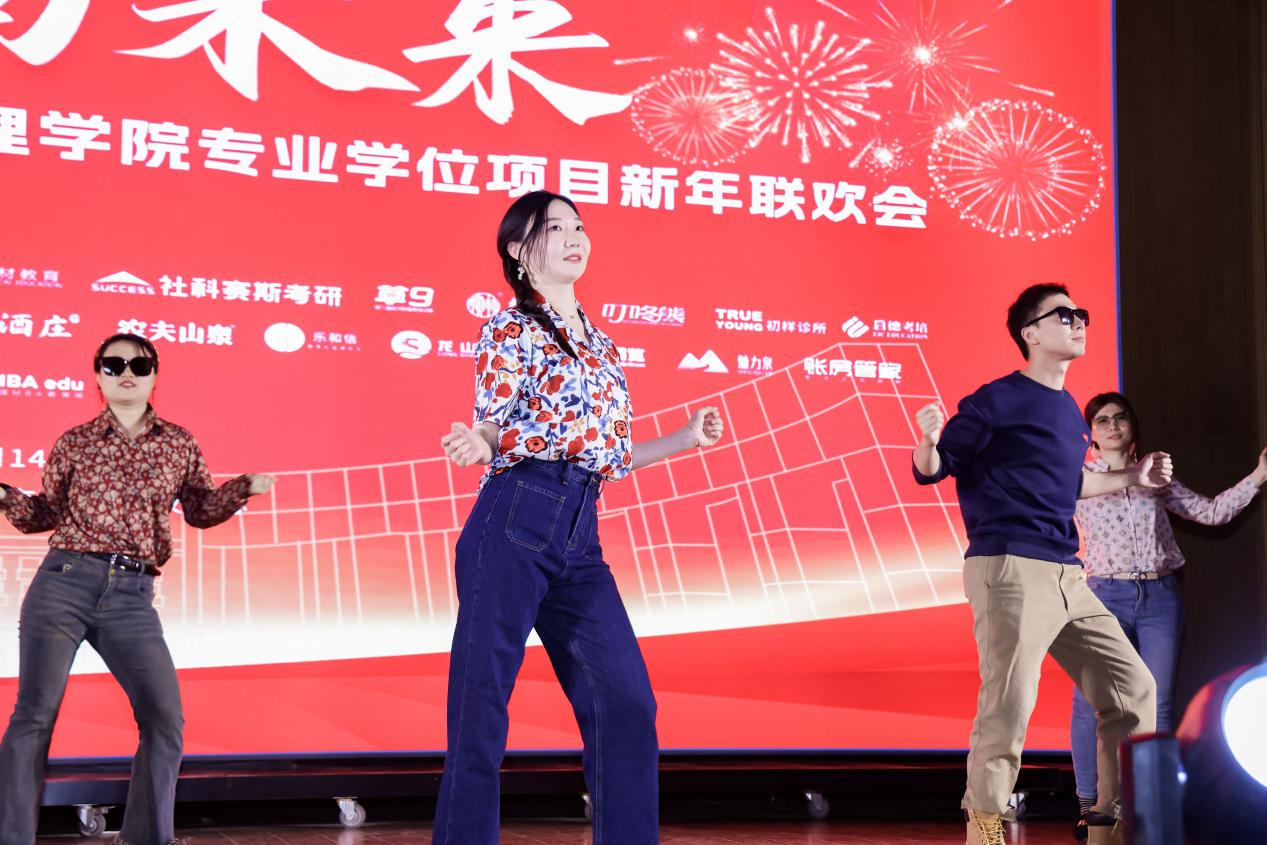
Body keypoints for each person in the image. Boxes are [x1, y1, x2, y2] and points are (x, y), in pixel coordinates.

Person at [435, 191, 724, 845]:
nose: (574, 237)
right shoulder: (510, 328)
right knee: (480, 709)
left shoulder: (602, 345)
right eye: (555, 228)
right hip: (514, 517)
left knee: (626, 702)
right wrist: (480, 442)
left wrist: (684, 438)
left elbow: (608, 453)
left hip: (580, 531)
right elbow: (493, 419)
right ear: (518, 250)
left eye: (579, 226)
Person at [910, 283, 1171, 845]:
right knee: (1008, 703)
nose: (1078, 322)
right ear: (1030, 333)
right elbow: (936, 467)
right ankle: (985, 828)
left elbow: (1068, 483)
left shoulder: (1067, 409)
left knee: (1133, 691)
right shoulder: (996, 399)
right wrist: (927, 442)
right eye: (1064, 315)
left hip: (1066, 572)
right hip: (1009, 567)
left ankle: (1107, 822)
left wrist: (1133, 476)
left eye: (1082, 315)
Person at [0, 333, 275, 845]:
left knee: (164, 717)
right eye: (113, 364)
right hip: (64, 583)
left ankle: (147, 838)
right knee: (34, 714)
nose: (126, 373)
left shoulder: (178, 442)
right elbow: (44, 514)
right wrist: (4, 496)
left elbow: (200, 510)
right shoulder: (75, 442)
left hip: (131, 595)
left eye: (139, 365)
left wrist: (242, 489)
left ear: (154, 374)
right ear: (98, 375)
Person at [1067, 391, 1267, 838]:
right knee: (1091, 701)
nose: (1113, 425)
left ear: (1132, 426)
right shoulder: (1078, 478)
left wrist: (1260, 474)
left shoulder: (1155, 476)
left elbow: (1211, 513)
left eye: (1120, 418)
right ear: (1091, 434)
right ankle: (1088, 804)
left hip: (1160, 596)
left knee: (1156, 701)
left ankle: (1149, 804)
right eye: (1102, 420)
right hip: (1103, 596)